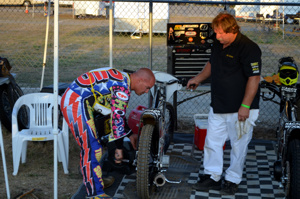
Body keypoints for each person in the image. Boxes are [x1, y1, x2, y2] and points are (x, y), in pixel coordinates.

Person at [187, 12, 261, 195]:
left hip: (241, 109)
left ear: (233, 29)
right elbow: (211, 64)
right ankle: (212, 176)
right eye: (215, 32)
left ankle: (232, 179)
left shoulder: (249, 48)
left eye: (221, 33)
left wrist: (245, 106)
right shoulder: (218, 45)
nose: (217, 36)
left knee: (239, 145)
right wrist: (198, 78)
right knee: (212, 142)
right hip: (218, 105)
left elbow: (254, 77)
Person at [61, 67, 155, 199]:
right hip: (75, 102)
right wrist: (119, 147)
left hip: (79, 99)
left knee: (97, 148)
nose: (146, 91)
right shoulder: (123, 88)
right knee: (91, 149)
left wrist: (129, 134)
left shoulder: (123, 79)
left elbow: (116, 114)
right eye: (147, 87)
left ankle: (96, 181)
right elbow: (116, 120)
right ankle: (94, 193)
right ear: (140, 80)